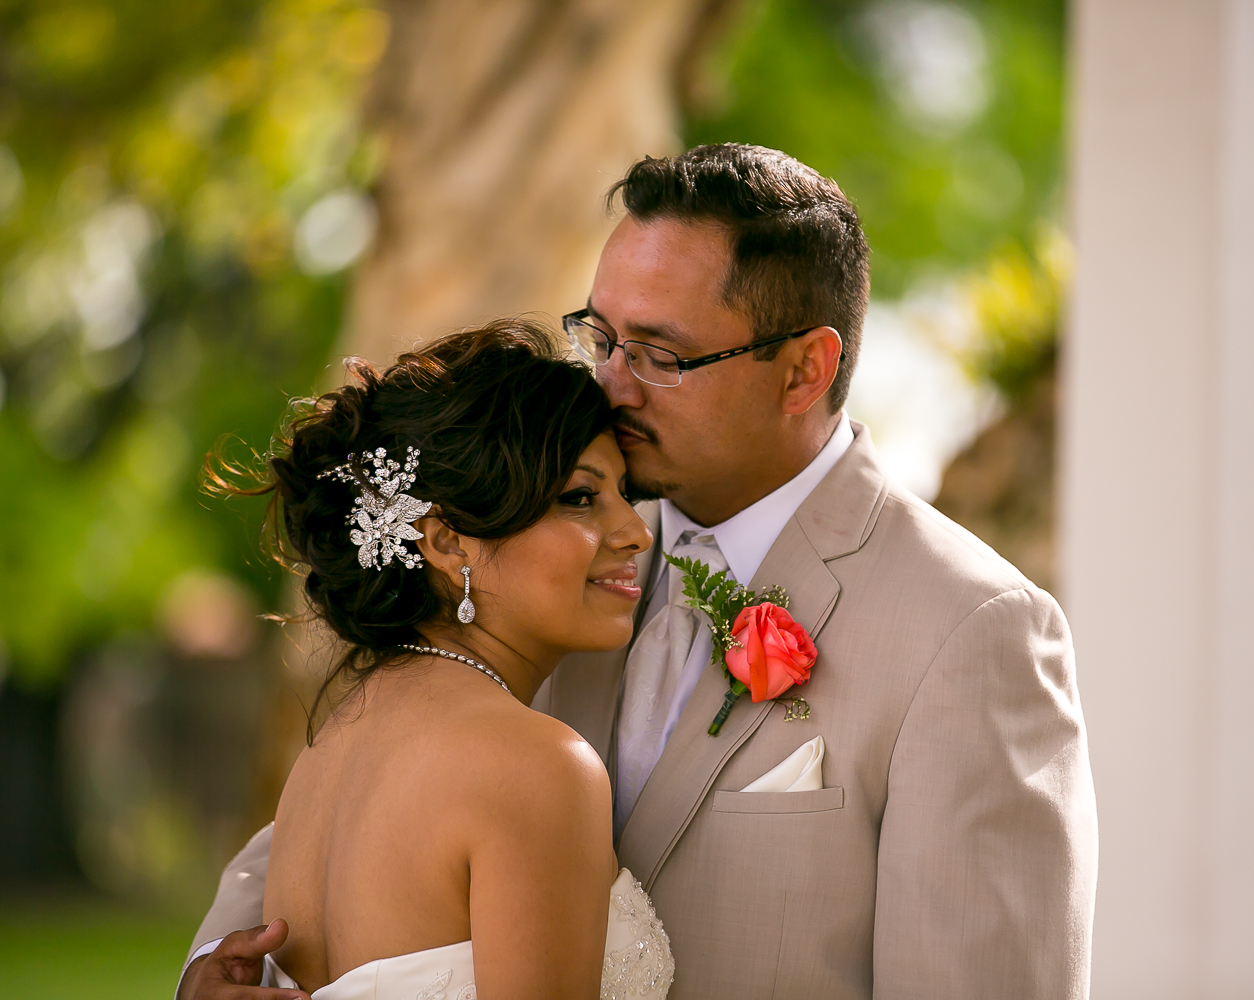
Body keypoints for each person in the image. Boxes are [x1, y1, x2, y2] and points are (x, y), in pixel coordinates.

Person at [182, 143, 1097, 1000]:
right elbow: (360, 804)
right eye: (600, 337)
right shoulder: (535, 557)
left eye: (660, 355)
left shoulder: (969, 632)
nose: (612, 384)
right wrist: (214, 969)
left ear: (805, 370)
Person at [192, 320, 673, 1000]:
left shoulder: (324, 759)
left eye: (628, 494)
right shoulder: (535, 765)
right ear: (448, 543)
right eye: (579, 497)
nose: (633, 531)